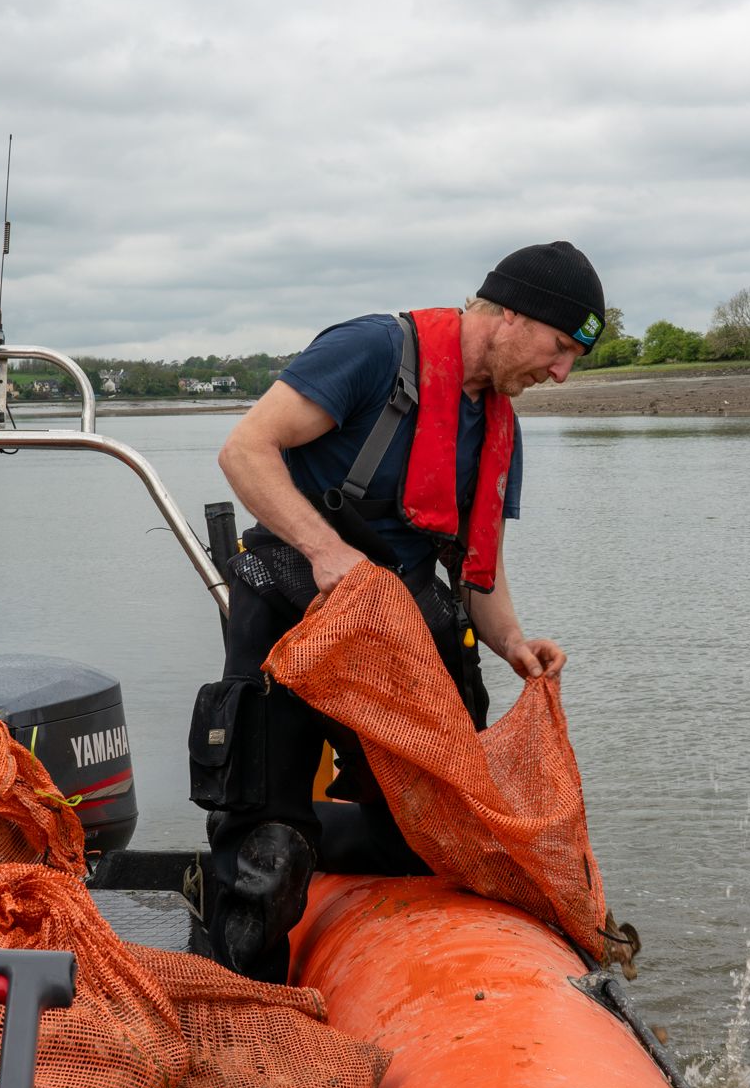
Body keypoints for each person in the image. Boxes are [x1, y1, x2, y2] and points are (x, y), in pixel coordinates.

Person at [197, 241, 605, 982]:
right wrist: (326, 552)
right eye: (558, 348)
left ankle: (310, 847)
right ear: (510, 314)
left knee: (430, 841)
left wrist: (513, 640)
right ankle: (245, 985)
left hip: (400, 634)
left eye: (572, 359)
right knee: (268, 851)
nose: (560, 371)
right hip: (294, 609)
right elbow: (244, 449)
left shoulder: (500, 427)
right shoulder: (372, 352)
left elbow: (481, 565)